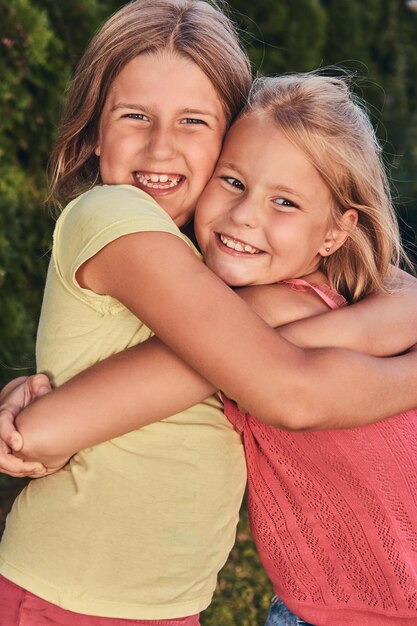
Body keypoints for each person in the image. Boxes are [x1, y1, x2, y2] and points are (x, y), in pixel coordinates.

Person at [1, 2, 417, 625]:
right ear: (92, 130)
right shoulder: (114, 216)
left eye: (193, 121)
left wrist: (300, 313)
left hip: (165, 604)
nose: (161, 145)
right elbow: (287, 389)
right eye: (134, 115)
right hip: (69, 595)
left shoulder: (219, 262)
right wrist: (284, 310)